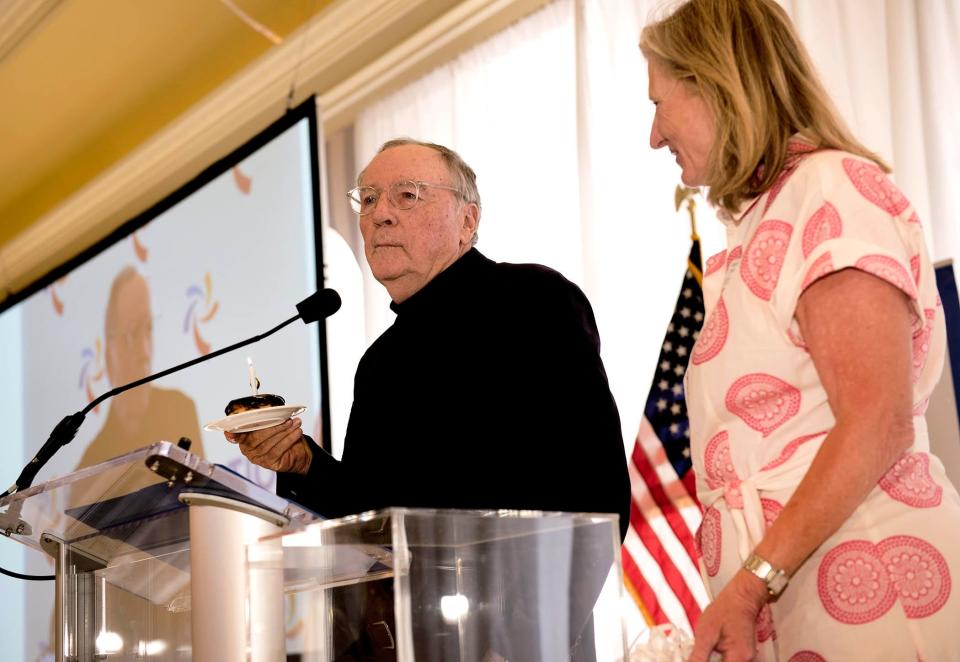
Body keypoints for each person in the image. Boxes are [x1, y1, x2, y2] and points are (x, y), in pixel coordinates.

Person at [639, 1, 960, 660]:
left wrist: (752, 583)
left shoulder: (830, 192)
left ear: (718, 86)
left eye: (659, 103)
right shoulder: (760, 223)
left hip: (875, 582)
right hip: (802, 593)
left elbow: (876, 421)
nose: (653, 135)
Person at [227, 138, 631, 660]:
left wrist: (534, 636)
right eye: (368, 199)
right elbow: (369, 513)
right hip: (396, 641)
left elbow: (594, 488)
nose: (380, 216)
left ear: (468, 220)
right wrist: (303, 462)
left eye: (407, 195)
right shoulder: (380, 363)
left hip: (517, 641)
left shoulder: (533, 301)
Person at [77, 265, 205, 470]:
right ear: (111, 350)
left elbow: (201, 497)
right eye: (134, 333)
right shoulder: (91, 464)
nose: (145, 352)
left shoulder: (180, 410)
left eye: (149, 329)